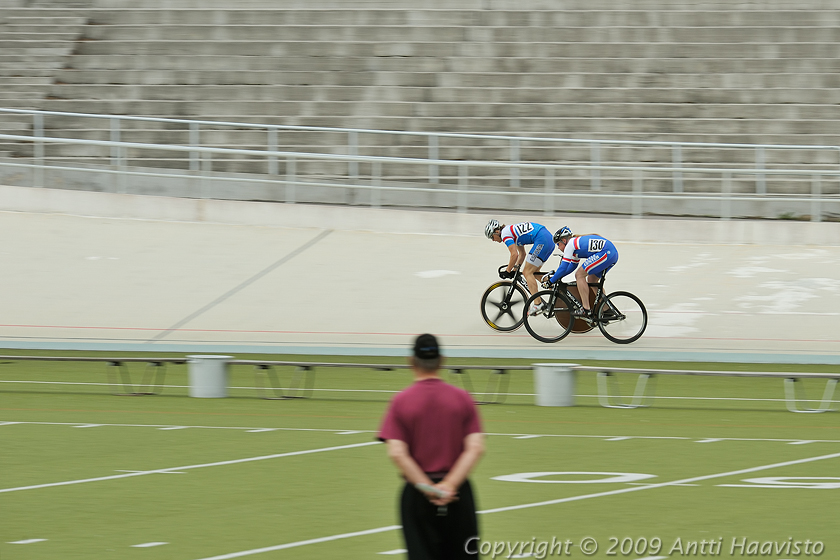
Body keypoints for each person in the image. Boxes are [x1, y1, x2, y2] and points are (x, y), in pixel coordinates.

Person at [378, 334, 485, 560]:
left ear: (411, 361)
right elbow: (475, 447)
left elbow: (397, 452)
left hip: (418, 496)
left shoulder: (401, 401)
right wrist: (449, 485)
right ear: (442, 360)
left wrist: (429, 488)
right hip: (458, 495)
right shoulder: (462, 398)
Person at [484, 219, 555, 315]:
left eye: (492, 237)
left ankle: (538, 304)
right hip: (547, 239)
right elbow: (522, 254)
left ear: (497, 232)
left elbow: (514, 255)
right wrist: (515, 269)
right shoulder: (510, 232)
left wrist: (507, 271)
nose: (493, 240)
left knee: (527, 272)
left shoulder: (505, 234)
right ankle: (556, 291)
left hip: (542, 239)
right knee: (533, 273)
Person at [545, 226, 619, 318]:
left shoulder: (570, 245)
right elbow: (572, 266)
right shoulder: (575, 245)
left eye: (558, 244)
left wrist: (551, 281)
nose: (558, 248)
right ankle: (607, 310)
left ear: (564, 240)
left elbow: (563, 267)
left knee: (579, 275)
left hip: (606, 253)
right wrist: (559, 276)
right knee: (591, 280)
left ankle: (586, 309)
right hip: (610, 253)